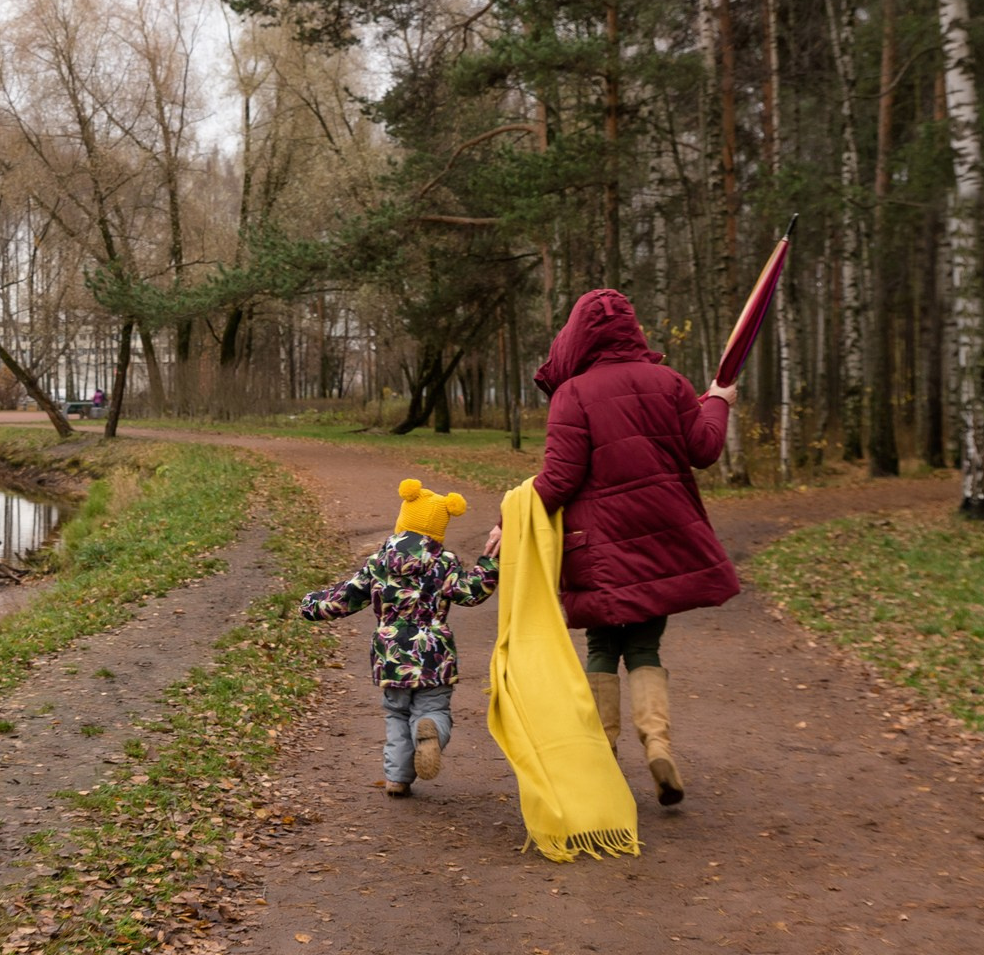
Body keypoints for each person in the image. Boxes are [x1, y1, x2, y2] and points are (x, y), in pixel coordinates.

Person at [485, 288, 738, 808]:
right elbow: (705, 450)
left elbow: (558, 479)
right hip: (664, 537)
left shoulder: (572, 395)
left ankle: (601, 754)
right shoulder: (670, 383)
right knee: (645, 647)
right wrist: (716, 401)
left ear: (578, 335)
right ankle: (659, 745)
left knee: (603, 647)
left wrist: (508, 520)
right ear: (632, 330)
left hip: (595, 547)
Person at [302, 479, 499, 797]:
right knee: (432, 708)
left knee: (396, 714)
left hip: (391, 655)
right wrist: (490, 563)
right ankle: (432, 730)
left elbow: (344, 598)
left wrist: (311, 604)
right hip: (433, 654)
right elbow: (472, 593)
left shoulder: (378, 564)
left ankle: (397, 778)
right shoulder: (442, 563)